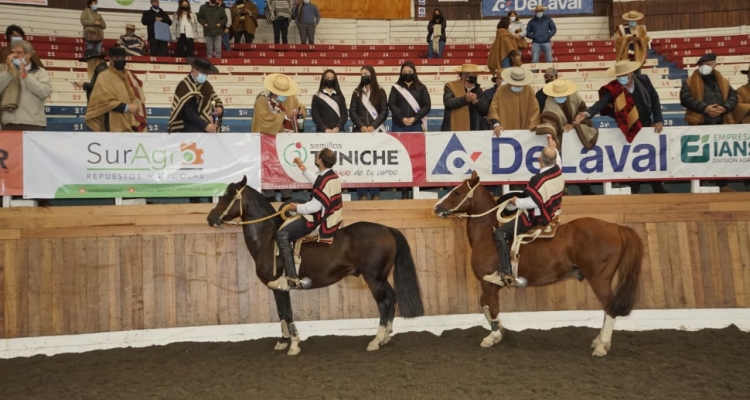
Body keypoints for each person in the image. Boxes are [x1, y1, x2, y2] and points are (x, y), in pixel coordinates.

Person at [576, 60, 667, 194]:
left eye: (624, 75)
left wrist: (658, 119)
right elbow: (601, 103)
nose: (621, 78)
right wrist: (587, 113)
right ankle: (633, 187)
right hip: (628, 126)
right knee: (631, 157)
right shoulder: (612, 88)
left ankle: (657, 187)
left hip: (647, 123)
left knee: (652, 156)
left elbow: (654, 98)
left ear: (630, 73)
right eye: (619, 76)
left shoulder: (644, 80)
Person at [483, 135, 563, 288]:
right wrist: (553, 147)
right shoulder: (557, 171)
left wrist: (515, 201)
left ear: (540, 160)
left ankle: (505, 272)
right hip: (553, 213)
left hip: (538, 217)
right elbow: (557, 159)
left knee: (499, 233)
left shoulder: (537, 180)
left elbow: (532, 202)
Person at [267, 148, 343, 291]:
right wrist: (301, 166)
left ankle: (291, 278)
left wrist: (298, 208)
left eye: (317, 156)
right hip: (330, 216)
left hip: (318, 218)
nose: (316, 157)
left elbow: (314, 206)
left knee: (281, 235)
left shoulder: (324, 180)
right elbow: (316, 181)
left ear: (320, 160)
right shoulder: (330, 176)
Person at [680, 53, 737, 192]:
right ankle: (699, 184)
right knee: (700, 155)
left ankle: (723, 184)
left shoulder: (723, 81)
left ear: (714, 65)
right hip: (700, 123)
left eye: (708, 64)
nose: (705, 67)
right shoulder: (689, 81)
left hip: (720, 122)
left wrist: (724, 108)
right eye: (702, 64)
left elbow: (733, 97)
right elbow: (685, 98)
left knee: (720, 156)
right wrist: (705, 108)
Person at [537, 79, 598, 195]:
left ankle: (586, 189)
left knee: (580, 160)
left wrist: (573, 124)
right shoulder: (550, 101)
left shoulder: (575, 96)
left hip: (577, 133)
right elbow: (548, 120)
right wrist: (553, 136)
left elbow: (583, 112)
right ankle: (561, 189)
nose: (560, 97)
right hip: (560, 135)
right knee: (560, 162)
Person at [253, 73, 307, 203]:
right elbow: (263, 118)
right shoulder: (262, 99)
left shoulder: (291, 98)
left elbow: (301, 106)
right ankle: (269, 193)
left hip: (286, 137)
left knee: (285, 163)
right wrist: (284, 116)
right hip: (268, 137)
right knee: (269, 164)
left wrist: (301, 111)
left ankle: (286, 192)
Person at [84, 48, 147, 133]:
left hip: (132, 119)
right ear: (110, 59)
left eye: (122, 58)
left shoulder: (130, 76)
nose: (120, 60)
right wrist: (127, 107)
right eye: (117, 58)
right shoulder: (104, 76)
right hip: (112, 120)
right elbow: (103, 100)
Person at [350, 65, 387, 201]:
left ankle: (375, 192)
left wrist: (373, 126)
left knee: (375, 163)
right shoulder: (356, 92)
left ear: (372, 74)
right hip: (360, 132)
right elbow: (352, 111)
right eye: (362, 74)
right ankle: (362, 193)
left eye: (366, 73)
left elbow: (384, 111)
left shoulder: (381, 92)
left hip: (376, 131)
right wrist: (361, 126)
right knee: (361, 163)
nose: (364, 76)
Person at [0, 40, 51, 131]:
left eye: (19, 52)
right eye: (13, 52)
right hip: (9, 123)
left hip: (33, 123)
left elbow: (44, 92)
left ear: (29, 54)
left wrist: (25, 75)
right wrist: (8, 73)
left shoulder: (40, 72)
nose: (15, 55)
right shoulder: (4, 69)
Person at [168, 57, 223, 133]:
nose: (204, 75)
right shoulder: (184, 85)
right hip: (187, 127)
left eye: (206, 73)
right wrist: (205, 125)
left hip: (206, 125)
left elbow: (215, 99)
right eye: (202, 72)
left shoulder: (206, 85)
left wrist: (219, 108)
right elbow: (189, 112)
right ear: (194, 69)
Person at [487, 67, 540, 137]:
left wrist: (533, 125)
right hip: (504, 131)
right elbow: (493, 109)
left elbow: (535, 110)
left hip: (525, 132)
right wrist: (496, 125)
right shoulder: (501, 90)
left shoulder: (529, 90)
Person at [442, 64, 488, 131]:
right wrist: (464, 99)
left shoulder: (478, 90)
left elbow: (485, 108)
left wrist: (476, 101)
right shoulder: (451, 86)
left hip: (475, 128)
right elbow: (448, 102)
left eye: (475, 75)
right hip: (453, 128)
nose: (474, 77)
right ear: (463, 76)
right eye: (471, 75)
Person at [388, 61, 431, 132]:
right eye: (404, 72)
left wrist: (415, 118)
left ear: (414, 73)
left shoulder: (422, 88)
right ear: (401, 73)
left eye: (410, 71)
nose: (407, 73)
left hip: (417, 125)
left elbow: (427, 105)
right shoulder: (395, 88)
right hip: (398, 125)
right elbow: (391, 104)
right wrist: (401, 118)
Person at [311, 69, 347, 133]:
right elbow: (315, 116)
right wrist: (324, 129)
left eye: (332, 78)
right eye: (327, 78)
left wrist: (338, 127)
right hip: (322, 131)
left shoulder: (340, 96)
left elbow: (344, 115)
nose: (330, 80)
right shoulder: (317, 96)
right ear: (323, 79)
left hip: (339, 131)